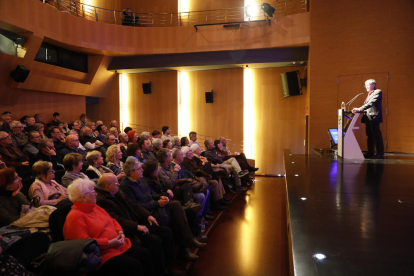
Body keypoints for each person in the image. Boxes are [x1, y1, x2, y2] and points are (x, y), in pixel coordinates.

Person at [120, 158, 206, 261]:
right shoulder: (126, 187)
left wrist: (161, 197)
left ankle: (189, 241)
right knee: (178, 214)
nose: (142, 170)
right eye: (139, 169)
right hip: (147, 215)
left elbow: (152, 195)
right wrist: (157, 203)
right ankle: (186, 245)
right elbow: (137, 207)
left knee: (176, 205)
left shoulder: (140, 180)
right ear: (131, 172)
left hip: (155, 207)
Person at [96, 173, 180, 276]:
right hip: (128, 230)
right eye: (116, 183)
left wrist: (147, 215)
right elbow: (117, 220)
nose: (118, 184)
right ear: (107, 186)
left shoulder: (115, 191)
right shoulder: (102, 201)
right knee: (154, 240)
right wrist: (136, 226)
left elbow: (134, 205)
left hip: (137, 222)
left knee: (166, 231)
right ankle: (160, 271)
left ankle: (169, 265)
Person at [63, 178, 149, 276]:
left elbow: (112, 220)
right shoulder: (75, 216)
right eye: (93, 192)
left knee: (144, 254)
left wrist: (120, 232)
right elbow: (83, 243)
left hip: (117, 245)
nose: (96, 194)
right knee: (133, 265)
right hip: (101, 254)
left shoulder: (94, 207)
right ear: (84, 197)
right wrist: (108, 243)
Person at [352, 79, 385, 159]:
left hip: (374, 117)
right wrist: (360, 110)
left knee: (377, 135)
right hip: (368, 117)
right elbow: (367, 105)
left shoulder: (377, 92)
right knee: (369, 135)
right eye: (365, 85)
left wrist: (359, 109)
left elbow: (371, 103)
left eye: (368, 85)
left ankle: (380, 153)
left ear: (373, 85)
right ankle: (370, 152)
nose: (366, 87)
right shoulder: (369, 94)